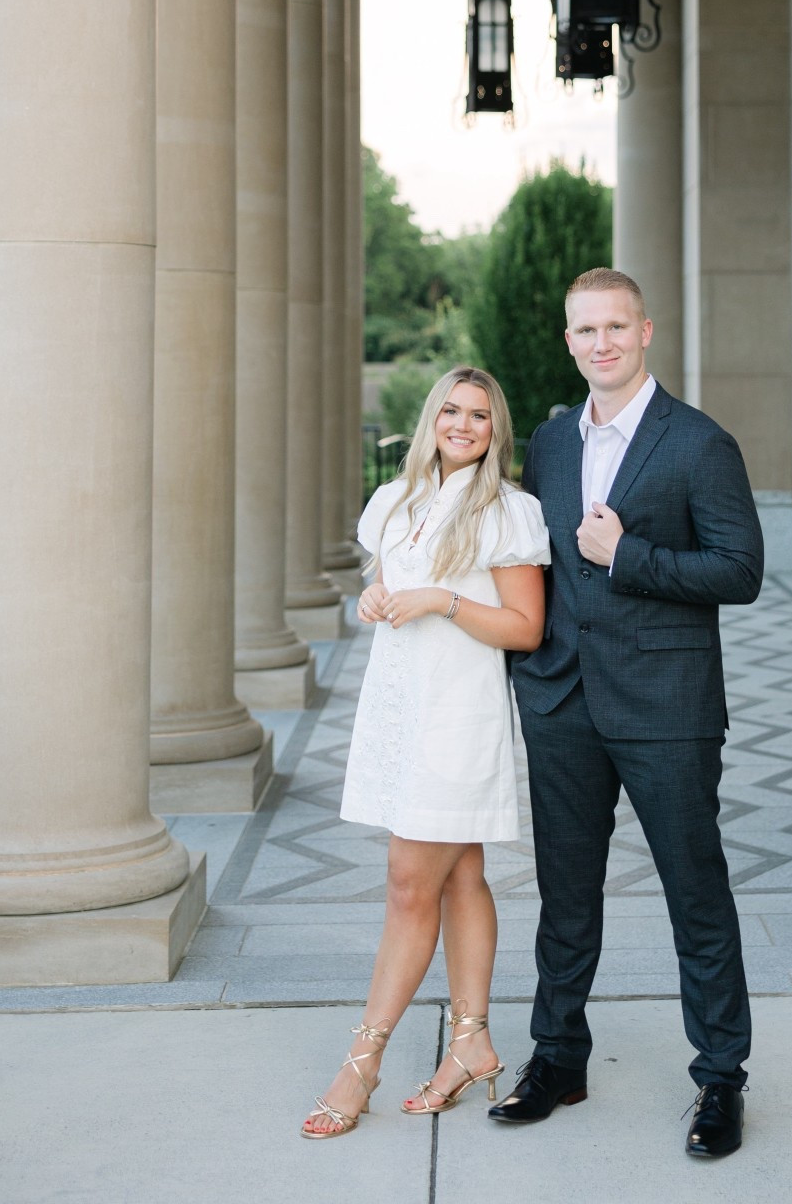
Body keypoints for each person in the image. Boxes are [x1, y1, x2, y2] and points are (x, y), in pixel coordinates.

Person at [489, 267, 764, 1162]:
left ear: (645, 332)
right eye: (583, 331)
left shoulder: (698, 443)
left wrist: (628, 554)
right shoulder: (553, 440)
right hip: (564, 700)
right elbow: (532, 562)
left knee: (695, 893)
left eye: (615, 327)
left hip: (667, 706)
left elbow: (739, 571)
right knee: (565, 898)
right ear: (567, 340)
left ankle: (719, 1078)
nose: (599, 343)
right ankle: (558, 1057)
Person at [301, 364, 550, 1139]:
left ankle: (361, 1063)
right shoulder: (394, 503)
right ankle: (471, 1042)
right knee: (460, 872)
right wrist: (377, 597)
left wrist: (443, 599)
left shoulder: (509, 510)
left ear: (494, 429)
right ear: (430, 419)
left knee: (409, 886)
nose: (464, 424)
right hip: (397, 712)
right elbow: (384, 589)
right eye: (451, 409)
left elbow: (525, 628)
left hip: (456, 719)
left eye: (479, 414)